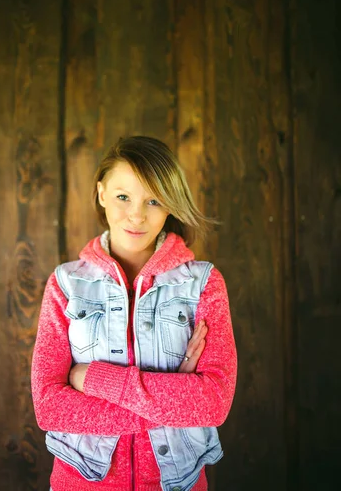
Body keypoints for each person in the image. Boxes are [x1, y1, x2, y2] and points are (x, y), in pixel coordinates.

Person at [31, 135, 237, 491]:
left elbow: (213, 403)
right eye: (123, 196)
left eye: (154, 200)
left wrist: (91, 379)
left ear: (170, 205)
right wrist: (171, 401)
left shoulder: (203, 284)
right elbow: (49, 407)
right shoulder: (66, 284)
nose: (137, 215)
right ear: (101, 194)